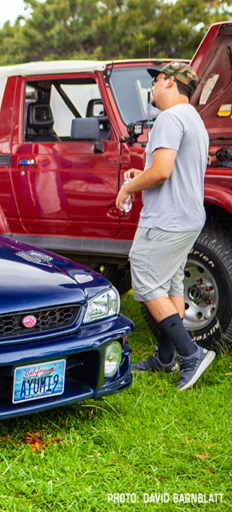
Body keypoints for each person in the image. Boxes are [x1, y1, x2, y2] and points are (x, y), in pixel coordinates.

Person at [116, 62, 215, 391]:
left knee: (146, 283)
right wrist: (140, 174)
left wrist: (128, 189)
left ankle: (191, 354)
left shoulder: (169, 118)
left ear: (170, 82)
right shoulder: (194, 119)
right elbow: (170, 168)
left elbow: (162, 172)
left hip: (166, 220)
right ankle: (165, 357)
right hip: (188, 218)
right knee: (171, 283)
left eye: (156, 80)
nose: (153, 88)